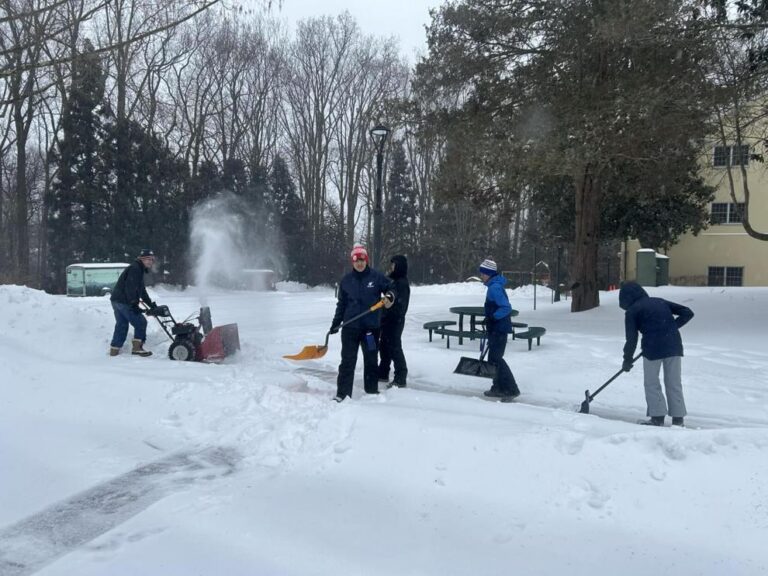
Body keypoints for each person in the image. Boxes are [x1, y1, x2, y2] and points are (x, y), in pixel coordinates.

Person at [619, 281, 694, 427]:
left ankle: (657, 417)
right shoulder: (659, 301)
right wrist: (669, 328)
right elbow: (687, 312)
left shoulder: (632, 311)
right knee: (674, 382)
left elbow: (631, 339)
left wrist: (627, 359)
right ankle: (678, 419)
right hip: (674, 345)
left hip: (652, 349)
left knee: (652, 383)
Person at [330, 244, 395, 402]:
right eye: (356, 260)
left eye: (362, 260)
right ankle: (342, 394)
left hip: (370, 329)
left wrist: (390, 296)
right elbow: (341, 305)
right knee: (347, 361)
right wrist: (336, 323)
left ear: (366, 260)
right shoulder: (346, 281)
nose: (359, 263)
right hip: (350, 329)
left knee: (371, 358)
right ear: (352, 262)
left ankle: (371, 390)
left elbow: (391, 287)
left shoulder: (376, 277)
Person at [478, 259, 521, 400]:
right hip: (497, 327)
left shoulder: (494, 288)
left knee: (496, 359)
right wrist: (490, 317)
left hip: (499, 328)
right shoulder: (494, 285)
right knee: (493, 359)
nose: (481, 276)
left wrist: (493, 317)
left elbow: (506, 307)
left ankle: (511, 389)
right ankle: (498, 387)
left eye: (483, 273)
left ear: (489, 274)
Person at [109, 249, 158, 357]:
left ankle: (114, 350)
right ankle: (137, 348)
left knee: (122, 324)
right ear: (142, 259)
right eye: (148, 259)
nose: (150, 262)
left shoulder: (138, 269)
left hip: (117, 300)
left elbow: (141, 290)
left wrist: (150, 304)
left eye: (152, 259)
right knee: (140, 322)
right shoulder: (135, 269)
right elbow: (130, 288)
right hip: (123, 301)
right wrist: (133, 304)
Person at [378, 254, 410, 388]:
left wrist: (389, 306)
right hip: (387, 319)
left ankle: (400, 376)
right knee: (384, 346)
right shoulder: (394, 282)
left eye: (393, 265)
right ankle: (383, 372)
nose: (391, 267)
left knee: (395, 348)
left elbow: (399, 304)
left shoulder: (401, 283)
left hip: (395, 321)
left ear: (399, 266)